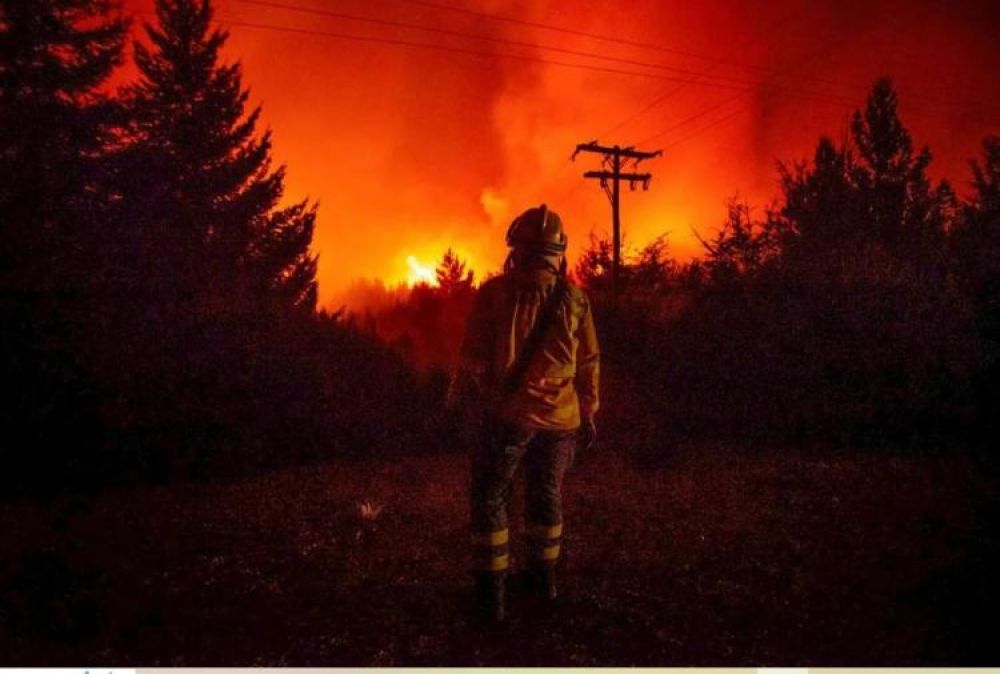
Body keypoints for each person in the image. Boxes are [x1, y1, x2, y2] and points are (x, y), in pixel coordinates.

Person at [449, 204, 600, 623]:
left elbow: (473, 362)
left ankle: (491, 597)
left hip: (509, 418)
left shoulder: (495, 294)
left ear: (516, 248)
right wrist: (589, 410)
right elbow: (590, 363)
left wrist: (464, 403)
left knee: (491, 496)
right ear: (558, 253)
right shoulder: (576, 300)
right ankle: (543, 582)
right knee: (545, 495)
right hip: (562, 422)